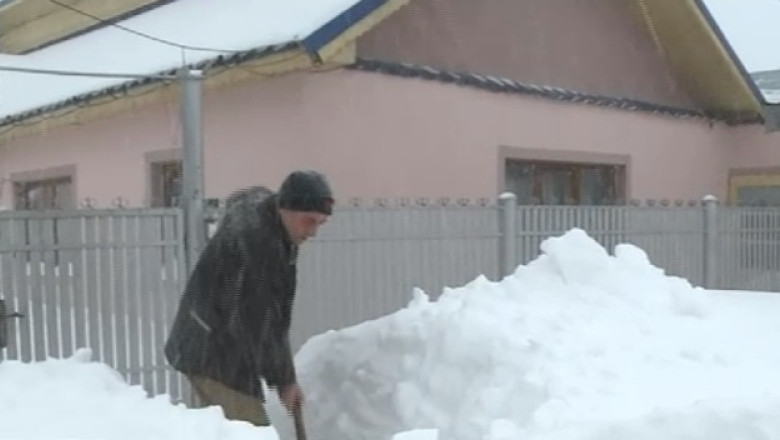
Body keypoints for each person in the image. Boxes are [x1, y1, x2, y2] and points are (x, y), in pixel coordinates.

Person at [164, 170, 334, 426]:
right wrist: (284, 381)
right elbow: (255, 321)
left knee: (223, 430)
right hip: (214, 354)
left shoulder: (276, 232)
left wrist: (284, 378)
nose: (313, 232)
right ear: (285, 207)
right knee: (250, 431)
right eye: (309, 221)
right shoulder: (257, 243)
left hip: (214, 347)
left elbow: (274, 317)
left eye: (320, 224)